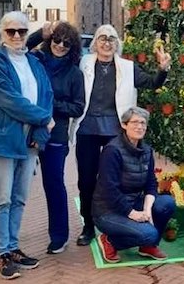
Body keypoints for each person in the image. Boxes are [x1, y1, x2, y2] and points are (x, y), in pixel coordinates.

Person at [71, 24, 171, 246]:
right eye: (102, 38)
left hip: (115, 131)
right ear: (95, 43)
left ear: (118, 44)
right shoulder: (83, 63)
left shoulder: (128, 67)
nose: (107, 43)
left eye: (112, 39)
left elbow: (152, 83)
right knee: (86, 181)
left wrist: (163, 69)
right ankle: (88, 225)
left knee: (116, 180)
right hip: (88, 129)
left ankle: (118, 221)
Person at [0, 11, 54, 280]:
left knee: (20, 198)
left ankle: (12, 247)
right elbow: (8, 99)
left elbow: (46, 93)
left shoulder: (33, 61)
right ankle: (1, 252)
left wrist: (40, 128)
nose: (16, 36)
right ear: (3, 33)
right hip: (3, 140)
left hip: (29, 140)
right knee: (2, 199)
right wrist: (44, 118)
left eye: (22, 31)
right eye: (11, 31)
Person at [26, 21, 85, 254]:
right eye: (56, 40)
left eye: (66, 43)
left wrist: (49, 105)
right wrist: (40, 34)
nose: (60, 45)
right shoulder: (37, 61)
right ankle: (4, 235)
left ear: (73, 47)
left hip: (55, 134)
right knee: (14, 184)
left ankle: (59, 236)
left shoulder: (74, 73)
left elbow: (77, 107)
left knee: (53, 184)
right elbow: (20, 48)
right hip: (28, 130)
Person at [93, 107, 176, 263]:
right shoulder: (112, 150)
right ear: (124, 125)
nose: (140, 127)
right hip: (108, 210)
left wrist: (147, 210)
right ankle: (109, 241)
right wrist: (133, 214)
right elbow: (109, 190)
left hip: (134, 202)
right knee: (149, 233)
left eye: (143, 123)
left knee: (167, 203)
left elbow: (151, 182)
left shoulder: (146, 150)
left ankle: (148, 247)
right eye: (135, 122)